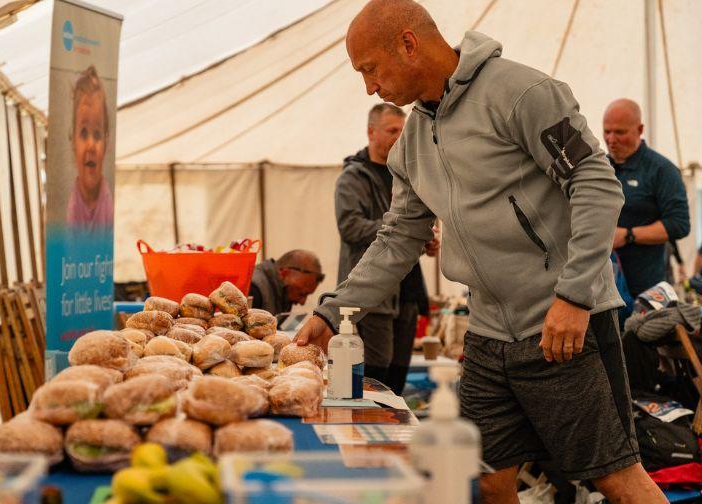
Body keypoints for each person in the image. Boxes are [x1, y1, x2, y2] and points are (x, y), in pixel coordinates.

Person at [295, 1, 665, 502]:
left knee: (616, 478)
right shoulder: (410, 144)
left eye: (370, 69)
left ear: (408, 44)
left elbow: (596, 183)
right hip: (488, 335)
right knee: (486, 482)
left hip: (560, 324)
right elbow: (397, 237)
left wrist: (575, 296)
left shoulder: (522, 93)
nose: (369, 87)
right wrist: (334, 309)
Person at [336, 103, 438, 393]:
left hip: (407, 291)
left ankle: (392, 420)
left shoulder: (406, 172)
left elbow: (415, 222)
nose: (399, 137)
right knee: (376, 373)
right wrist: (403, 227)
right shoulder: (353, 177)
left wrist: (425, 239)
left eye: (402, 131)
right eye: (392, 130)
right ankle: (371, 421)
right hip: (374, 292)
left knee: (398, 375)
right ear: (371, 132)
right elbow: (351, 227)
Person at [604, 98, 689, 296]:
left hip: (645, 289)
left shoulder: (662, 170)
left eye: (620, 132)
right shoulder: (600, 167)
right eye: (607, 131)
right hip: (603, 288)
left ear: (640, 129)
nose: (611, 139)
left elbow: (679, 224)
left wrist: (628, 235)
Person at [66, 66, 114, 230]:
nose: (91, 145)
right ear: (73, 142)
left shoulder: (107, 201)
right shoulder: (74, 204)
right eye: (84, 133)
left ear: (106, 143)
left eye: (97, 135)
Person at [249, 250, 324, 319]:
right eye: (301, 294)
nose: (302, 302)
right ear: (284, 273)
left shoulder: (282, 289)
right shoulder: (254, 288)